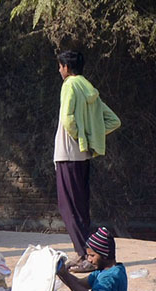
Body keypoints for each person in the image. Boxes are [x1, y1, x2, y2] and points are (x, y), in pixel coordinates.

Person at [53, 50, 121, 273]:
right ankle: (85, 253)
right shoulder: (89, 88)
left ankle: (86, 256)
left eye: (61, 66)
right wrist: (92, 137)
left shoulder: (70, 85)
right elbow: (113, 120)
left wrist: (80, 136)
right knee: (81, 208)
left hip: (68, 154)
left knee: (68, 207)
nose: (60, 70)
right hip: (83, 156)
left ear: (67, 67)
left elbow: (67, 119)